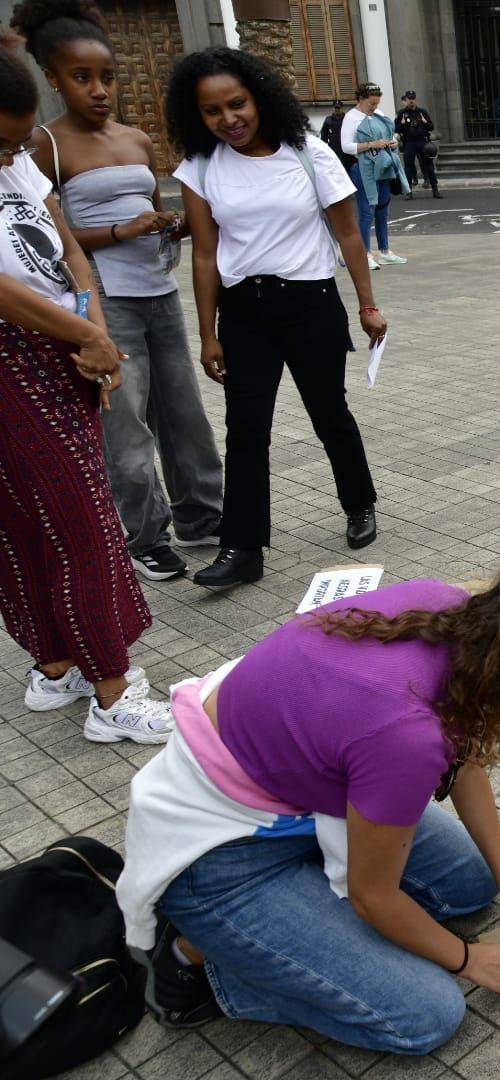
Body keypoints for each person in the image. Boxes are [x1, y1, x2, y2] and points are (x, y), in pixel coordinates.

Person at [116, 555, 500, 1048]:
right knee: (425, 1015)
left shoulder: (456, 612)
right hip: (218, 855)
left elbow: (463, 753)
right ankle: (198, 954)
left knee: (471, 885)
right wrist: (465, 959)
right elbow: (373, 897)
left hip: (301, 797)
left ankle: (298, 904)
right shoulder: (404, 736)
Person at [0, 29, 173, 743]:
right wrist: (87, 336)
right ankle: (112, 694)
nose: (13, 156)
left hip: (65, 340)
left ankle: (58, 663)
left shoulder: (18, 165)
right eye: (2, 144)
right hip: (12, 359)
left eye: (17, 144)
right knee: (74, 521)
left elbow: (62, 239)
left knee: (51, 515)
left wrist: (90, 322)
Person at [16, 0, 224, 584]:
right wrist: (118, 231)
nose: (99, 89)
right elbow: (43, 237)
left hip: (158, 291)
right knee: (126, 423)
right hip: (106, 301)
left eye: (107, 76)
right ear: (52, 78)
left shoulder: (135, 139)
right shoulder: (43, 146)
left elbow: (153, 210)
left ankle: (203, 516)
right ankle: (144, 535)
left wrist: (170, 225)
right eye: (82, 78)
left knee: (183, 411)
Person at [167, 47, 384, 588]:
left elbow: (350, 233)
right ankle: (243, 548)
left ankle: (359, 504)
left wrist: (367, 303)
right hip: (244, 313)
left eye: (236, 104)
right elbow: (203, 254)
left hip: (310, 303)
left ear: (259, 97)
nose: (228, 120)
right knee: (245, 431)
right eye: (213, 111)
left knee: (328, 413)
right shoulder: (200, 166)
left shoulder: (309, 153)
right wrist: (207, 332)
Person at [339, 81, 405, 269]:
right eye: (371, 104)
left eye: (376, 104)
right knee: (367, 211)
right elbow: (346, 146)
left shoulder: (379, 115)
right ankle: (364, 254)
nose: (374, 107)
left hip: (382, 166)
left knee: (383, 208)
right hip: (362, 168)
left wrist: (393, 142)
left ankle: (384, 251)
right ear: (361, 99)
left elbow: (391, 135)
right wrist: (371, 145)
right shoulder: (351, 118)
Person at [393, 89, 439, 200]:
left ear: (415, 99)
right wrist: (402, 124)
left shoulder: (422, 112)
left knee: (429, 166)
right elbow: (395, 129)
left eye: (413, 98)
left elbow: (431, 127)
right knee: (408, 167)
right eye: (409, 99)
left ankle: (435, 189)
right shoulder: (401, 113)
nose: (411, 101)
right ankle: (408, 191)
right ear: (406, 99)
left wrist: (424, 122)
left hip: (422, 142)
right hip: (410, 143)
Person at [318, 98, 353, 171]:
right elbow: (324, 135)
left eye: (339, 108)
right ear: (332, 108)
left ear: (342, 108)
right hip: (333, 150)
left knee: (347, 168)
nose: (337, 109)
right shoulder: (328, 120)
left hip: (345, 150)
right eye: (335, 108)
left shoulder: (348, 119)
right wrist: (324, 148)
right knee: (335, 168)